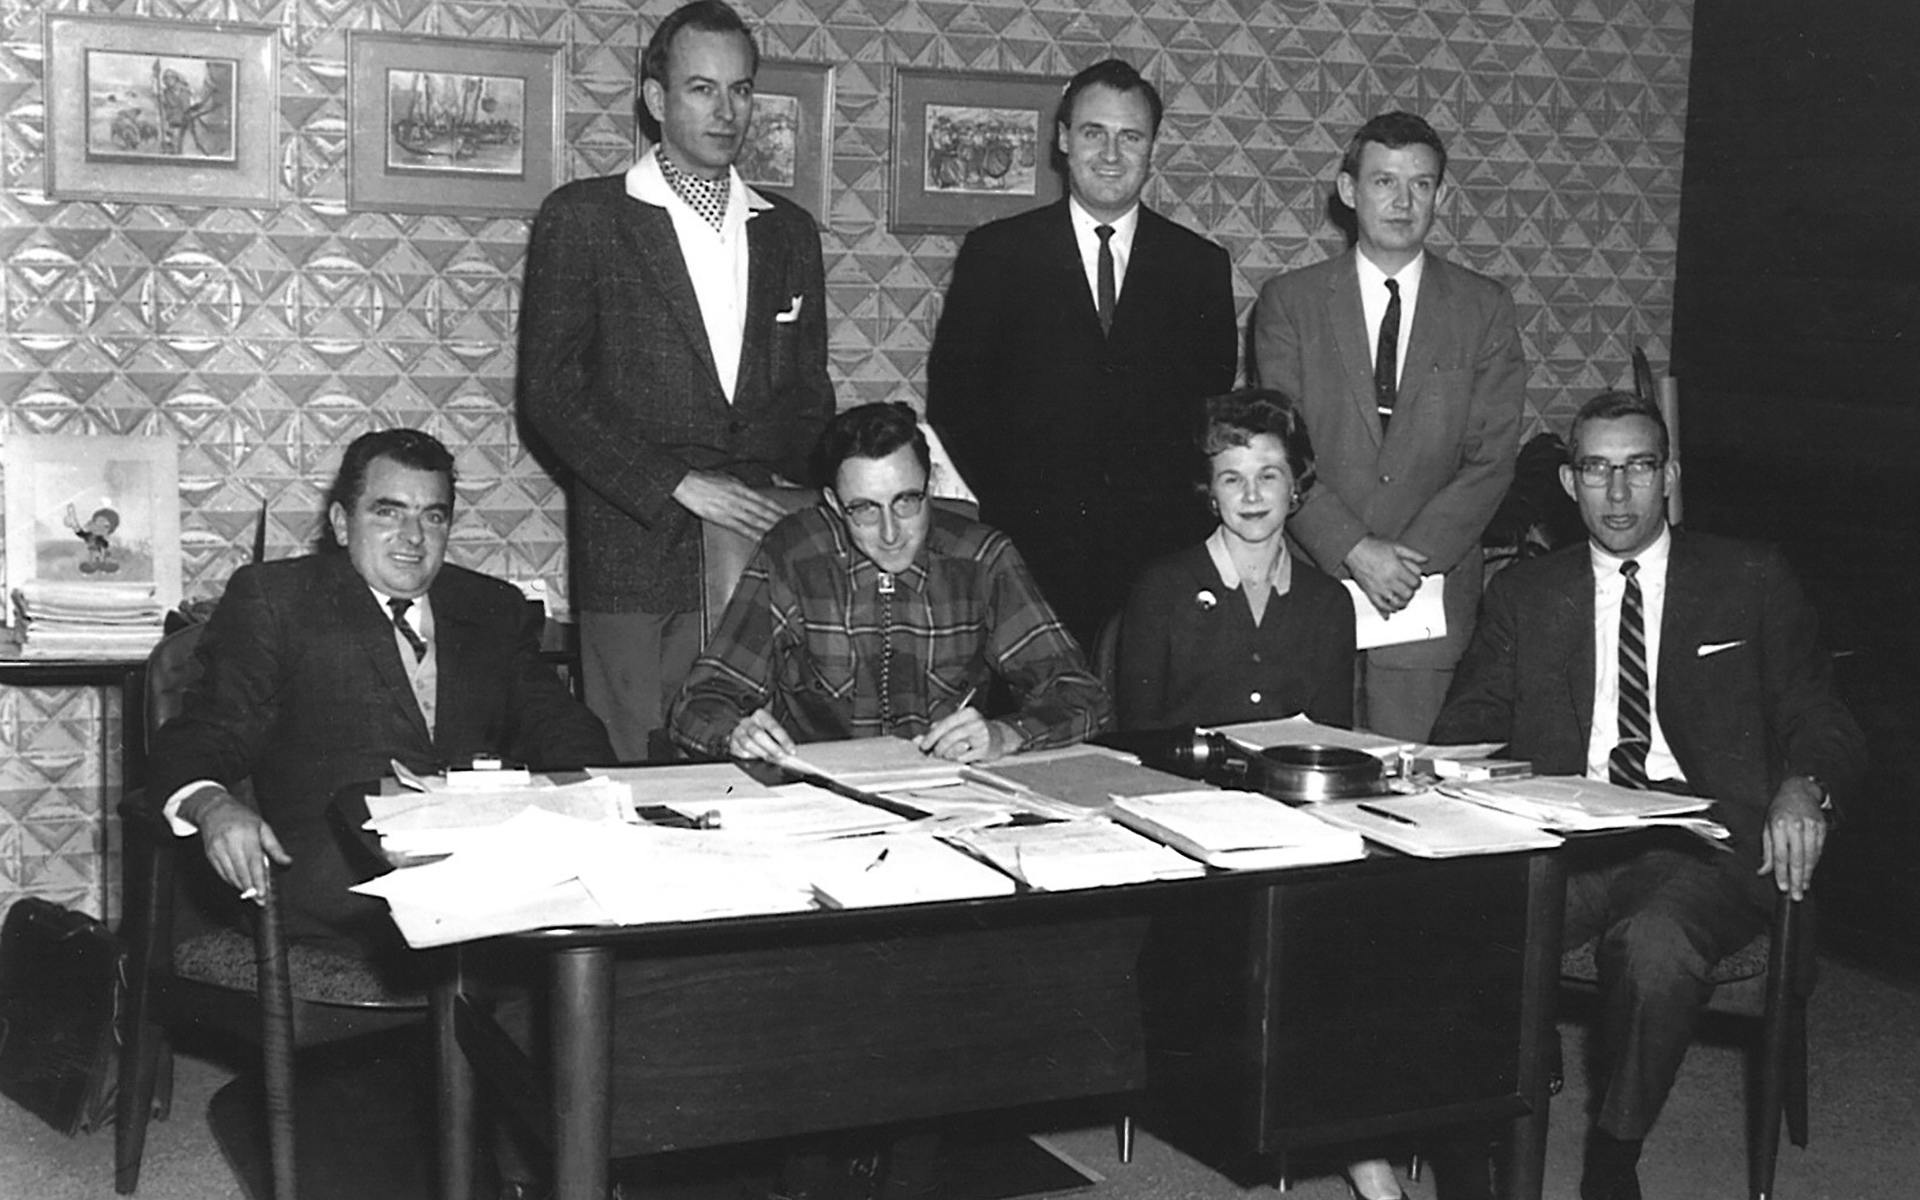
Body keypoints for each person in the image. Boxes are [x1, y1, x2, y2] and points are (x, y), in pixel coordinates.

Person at [1431, 392, 1866, 1200]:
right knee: (1455, 930)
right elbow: (1469, 722)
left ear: (1669, 475)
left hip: (1707, 841)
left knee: (1656, 946)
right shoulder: (1528, 594)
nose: (1619, 492)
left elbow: (1821, 713)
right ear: (1569, 482)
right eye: (1597, 470)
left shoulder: (1749, 575)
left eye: (1638, 467)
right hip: (1572, 834)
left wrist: (1805, 786)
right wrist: (1461, 775)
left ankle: (1613, 1157)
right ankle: (1468, 1160)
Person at [147, 429, 615, 959]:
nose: (413, 537)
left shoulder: (490, 606)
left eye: (432, 516)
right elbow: (205, 733)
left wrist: (600, 805)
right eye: (388, 513)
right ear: (343, 525)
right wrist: (212, 806)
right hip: (344, 883)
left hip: (482, 870)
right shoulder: (279, 602)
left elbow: (560, 725)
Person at [518, 0, 834, 761]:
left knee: (762, 766)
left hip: (758, 543)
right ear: (656, 101)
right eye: (702, 89)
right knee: (641, 767)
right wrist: (679, 483)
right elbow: (551, 397)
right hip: (634, 549)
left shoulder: (787, 230)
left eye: (741, 89)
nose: (727, 111)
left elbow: (810, 394)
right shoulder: (586, 218)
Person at [927, 58, 1237, 649]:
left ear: (1152, 148)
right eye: (1094, 132)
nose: (1112, 153)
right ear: (1064, 139)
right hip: (1026, 554)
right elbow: (956, 401)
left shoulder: (1198, 266)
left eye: (1131, 136)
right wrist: (1019, 510)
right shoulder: (997, 254)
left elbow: (1209, 414)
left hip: (1156, 559)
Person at [1251, 110, 1525, 741]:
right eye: (1383, 182)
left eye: (1421, 185)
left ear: (1440, 195)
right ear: (1348, 191)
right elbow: (1279, 451)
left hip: (1426, 598)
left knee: (1413, 788)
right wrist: (1353, 548)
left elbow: (1491, 459)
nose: (1403, 202)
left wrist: (1406, 564)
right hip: (1310, 582)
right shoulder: (1290, 304)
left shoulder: (1485, 309)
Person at [670, 401, 1110, 764]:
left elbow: (1082, 695)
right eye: (863, 509)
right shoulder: (793, 556)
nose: (890, 533)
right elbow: (701, 702)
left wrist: (1005, 734)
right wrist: (736, 734)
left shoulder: (981, 558)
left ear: (931, 486)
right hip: (823, 801)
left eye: (906, 503)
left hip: (950, 798)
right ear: (834, 505)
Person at [1116, 388, 1354, 730]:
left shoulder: (1328, 602)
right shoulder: (1162, 589)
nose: (1252, 494)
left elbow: (1333, 742)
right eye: (1232, 479)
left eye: (1268, 475)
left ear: (1295, 486)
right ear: (1210, 492)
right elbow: (1139, 735)